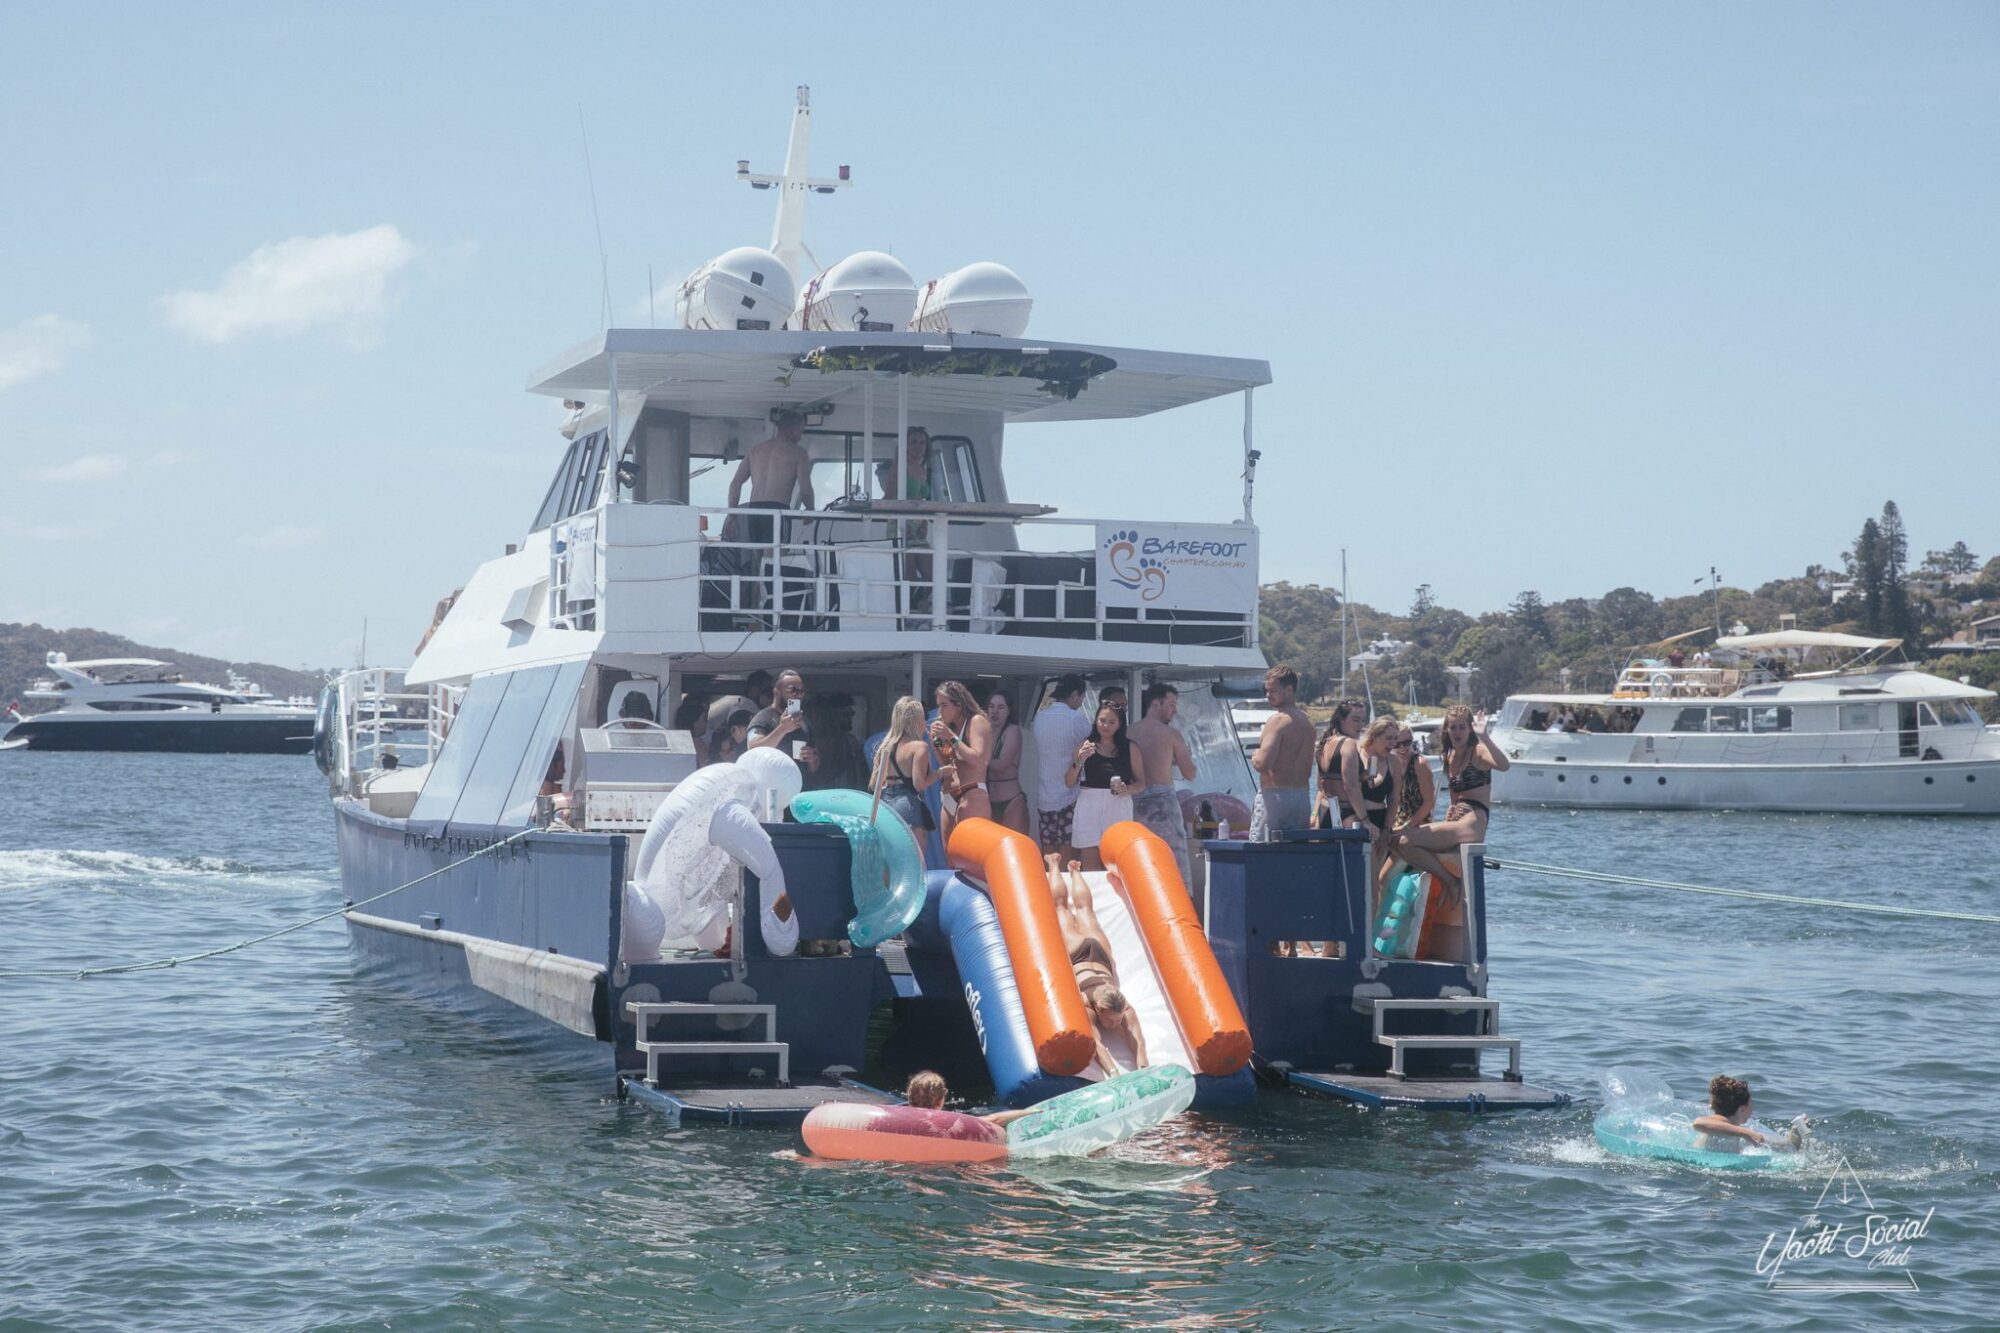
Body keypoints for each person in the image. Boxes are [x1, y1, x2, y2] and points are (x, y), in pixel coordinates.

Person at [1384, 705, 1512, 956]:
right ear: (1446, 730)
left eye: (1462, 727)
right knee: (1398, 841)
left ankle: (1450, 882)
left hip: (1473, 821)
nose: (1457, 732)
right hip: (1457, 819)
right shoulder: (1450, 756)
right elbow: (1455, 797)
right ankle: (1447, 878)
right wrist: (1449, 813)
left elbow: (1504, 765)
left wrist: (1484, 734)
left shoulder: (1478, 751)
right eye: (1452, 727)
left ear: (1469, 729)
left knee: (1405, 840)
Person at [1047, 856, 1149, 1078]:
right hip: (1079, 955)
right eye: (1111, 1020)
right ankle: (1054, 864)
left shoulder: (1124, 1007)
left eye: (1117, 1020)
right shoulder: (1087, 1006)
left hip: (1099, 957)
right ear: (1099, 1011)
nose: (1115, 1024)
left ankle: (1074, 870)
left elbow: (1138, 1043)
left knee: (1084, 911)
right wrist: (1113, 1073)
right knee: (1062, 909)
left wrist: (1143, 1070)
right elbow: (1097, 1045)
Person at [1129, 683, 1197, 884]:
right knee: (1174, 860)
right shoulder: (1171, 734)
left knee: (1142, 858)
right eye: (1172, 704)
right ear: (1155, 704)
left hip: (1134, 803)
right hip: (1163, 804)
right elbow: (1190, 773)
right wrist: (1186, 758)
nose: (1175, 709)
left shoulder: (1129, 732)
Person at [1066, 702, 1146, 871]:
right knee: (1089, 859)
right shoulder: (1085, 745)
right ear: (1095, 721)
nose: (1105, 726)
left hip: (1117, 804)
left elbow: (1141, 782)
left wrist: (1127, 789)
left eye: (1111, 722)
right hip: (1089, 804)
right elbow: (1069, 782)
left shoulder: (1129, 748)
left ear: (1120, 724)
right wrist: (1079, 760)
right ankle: (1093, 896)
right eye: (1102, 720)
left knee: (1117, 859)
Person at [726, 410, 814, 546]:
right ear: (793, 428)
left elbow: (735, 483)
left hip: (754, 509)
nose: (801, 436)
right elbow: (805, 489)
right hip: (777, 509)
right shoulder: (798, 452)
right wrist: (810, 509)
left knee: (757, 556)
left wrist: (732, 515)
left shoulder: (755, 450)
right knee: (776, 557)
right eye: (801, 430)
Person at [1249, 664, 1314, 840]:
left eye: (1273, 691)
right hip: (1301, 798)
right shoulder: (1308, 722)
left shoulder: (1277, 720)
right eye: (1267, 691)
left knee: (1261, 853)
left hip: (1274, 797)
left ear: (1289, 690)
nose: (1268, 695)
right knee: (1295, 855)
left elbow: (1264, 764)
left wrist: (1255, 755)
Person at [1033, 674, 1093, 858]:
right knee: (1069, 857)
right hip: (1070, 796)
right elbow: (1094, 745)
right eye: (1082, 697)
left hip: (1044, 796)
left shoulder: (1039, 719)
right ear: (1074, 694)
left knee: (1049, 854)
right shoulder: (1076, 719)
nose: (1081, 702)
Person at [869, 697, 937, 857]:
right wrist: (939, 774)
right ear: (917, 720)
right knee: (915, 859)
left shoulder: (885, 746)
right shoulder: (919, 747)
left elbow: (874, 784)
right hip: (907, 803)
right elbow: (919, 784)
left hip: (885, 803)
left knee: (890, 859)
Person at [931, 680, 993, 843]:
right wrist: (936, 743)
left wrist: (950, 736)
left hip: (971, 792)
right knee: (949, 852)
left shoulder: (977, 721)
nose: (940, 710)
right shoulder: (950, 727)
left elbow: (978, 761)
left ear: (958, 705)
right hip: (949, 794)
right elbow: (946, 761)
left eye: (944, 705)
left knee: (969, 849)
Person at [1692, 1075, 1805, 1152]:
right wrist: (1746, 1133)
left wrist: (1795, 1137)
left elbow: (1788, 1147)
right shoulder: (1718, 1123)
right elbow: (1698, 1123)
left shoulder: (1731, 1130)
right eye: (1751, 1102)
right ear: (1742, 1108)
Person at [746, 668, 820, 778]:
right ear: (777, 692)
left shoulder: (804, 722)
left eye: (802, 691)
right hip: (772, 787)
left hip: (800, 787)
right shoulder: (763, 718)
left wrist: (812, 759)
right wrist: (782, 729)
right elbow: (753, 749)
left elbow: (814, 766)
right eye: (792, 690)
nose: (798, 695)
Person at [902, 1070, 1033, 1126]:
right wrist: (1029, 1112)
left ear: (909, 1096)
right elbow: (995, 1119)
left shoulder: (899, 1117)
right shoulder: (949, 1123)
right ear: (941, 1099)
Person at [1313, 698, 1365, 829]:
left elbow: (1320, 784)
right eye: (1355, 720)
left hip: (1325, 809)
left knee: (1328, 850)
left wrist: (1314, 813)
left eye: (1363, 720)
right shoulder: (1348, 743)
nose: (1360, 725)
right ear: (1342, 719)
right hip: (1346, 812)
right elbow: (1350, 786)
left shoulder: (1324, 742)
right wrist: (1366, 820)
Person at [984, 689, 1030, 837]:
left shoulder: (1012, 731)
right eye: (991, 706)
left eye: (1001, 707)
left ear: (1009, 710)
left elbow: (1002, 765)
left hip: (1011, 801)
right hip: (988, 801)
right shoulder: (985, 732)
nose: (995, 711)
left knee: (1015, 849)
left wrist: (975, 757)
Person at [1391, 723, 1436, 831]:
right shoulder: (1392, 763)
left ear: (1412, 740)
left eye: (1406, 743)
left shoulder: (1419, 763)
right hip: (1397, 823)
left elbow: (1429, 803)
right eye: (1397, 744)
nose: (1402, 747)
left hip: (1418, 825)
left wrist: (1407, 827)